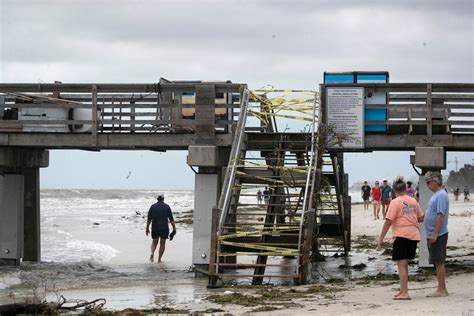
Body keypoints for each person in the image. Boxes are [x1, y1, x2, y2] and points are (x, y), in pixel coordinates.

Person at [377, 176, 424, 300]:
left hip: (402, 236)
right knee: (405, 264)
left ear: (394, 191)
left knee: (401, 265)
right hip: (414, 236)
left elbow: (388, 221)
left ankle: (405, 293)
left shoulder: (395, 202)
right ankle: (403, 290)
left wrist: (380, 238)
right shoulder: (413, 201)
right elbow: (421, 217)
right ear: (405, 188)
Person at [424, 171, 450, 297]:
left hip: (438, 234)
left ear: (435, 182)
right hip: (434, 233)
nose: (427, 185)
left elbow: (440, 215)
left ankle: (441, 289)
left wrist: (434, 233)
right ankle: (442, 288)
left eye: (428, 182)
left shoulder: (440, 195)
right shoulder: (437, 195)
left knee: (439, 261)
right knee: (437, 261)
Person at [146, 194, 176, 263]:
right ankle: (159, 259)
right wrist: (174, 228)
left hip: (155, 227)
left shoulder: (152, 207)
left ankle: (152, 253)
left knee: (154, 242)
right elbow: (171, 219)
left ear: (157, 199)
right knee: (162, 243)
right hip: (164, 227)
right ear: (163, 199)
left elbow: (149, 219)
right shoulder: (167, 207)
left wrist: (147, 228)